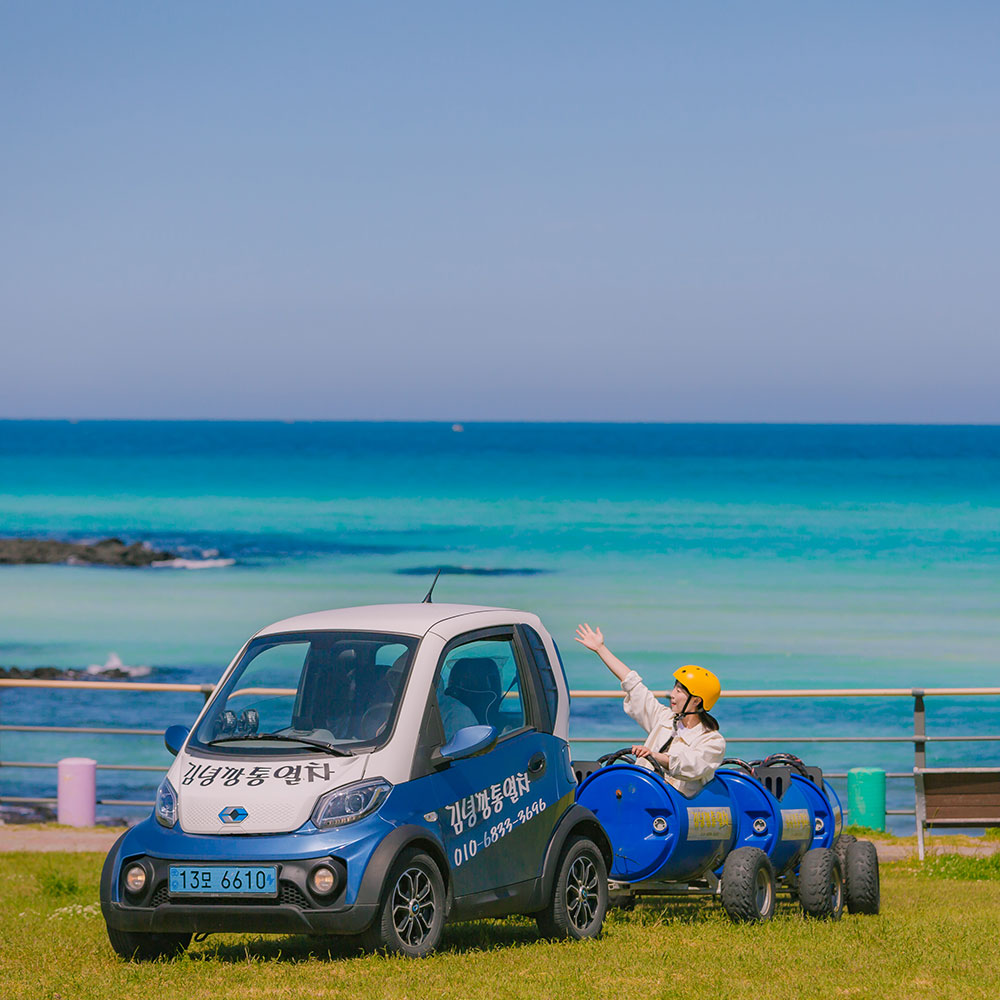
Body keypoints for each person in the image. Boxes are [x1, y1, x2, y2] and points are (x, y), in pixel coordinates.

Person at [575, 622, 726, 797]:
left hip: (674, 812)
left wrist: (653, 756)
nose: (673, 695)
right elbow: (633, 684)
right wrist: (600, 649)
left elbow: (690, 765)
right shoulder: (664, 719)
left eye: (679, 691)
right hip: (641, 797)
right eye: (674, 689)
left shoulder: (713, 741)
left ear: (697, 701)